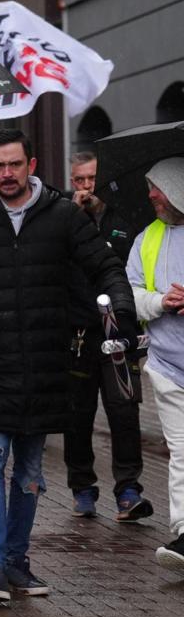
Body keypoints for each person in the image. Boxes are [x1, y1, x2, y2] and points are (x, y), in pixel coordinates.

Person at [0, 128, 138, 602]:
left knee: (31, 471)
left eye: (16, 164)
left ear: (31, 165)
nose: (8, 173)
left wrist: (119, 306)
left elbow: (106, 266)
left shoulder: (61, 216)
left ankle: (17, 561)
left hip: (45, 363)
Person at [61, 151, 150, 521]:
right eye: (79, 180)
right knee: (78, 416)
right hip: (79, 335)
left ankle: (128, 491)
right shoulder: (63, 221)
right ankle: (83, 487)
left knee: (124, 412)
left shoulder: (126, 218)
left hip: (119, 332)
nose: (85, 188)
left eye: (91, 180)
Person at [125, 157, 184, 574]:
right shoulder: (148, 237)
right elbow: (129, 293)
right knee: (182, 451)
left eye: (156, 187)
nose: (150, 196)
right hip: (167, 364)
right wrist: (160, 302)